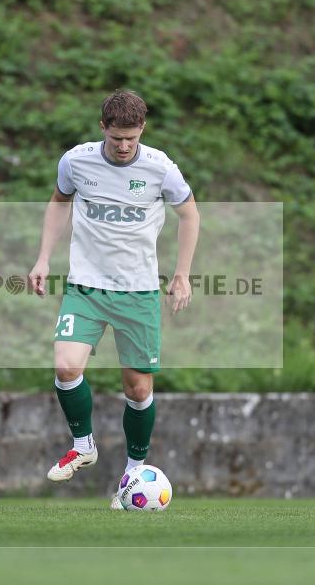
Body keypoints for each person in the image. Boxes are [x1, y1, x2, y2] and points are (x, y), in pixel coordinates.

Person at [28, 90, 200, 508]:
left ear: (142, 129)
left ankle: (132, 472)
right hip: (86, 286)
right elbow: (58, 203)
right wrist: (43, 259)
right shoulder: (76, 161)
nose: (124, 147)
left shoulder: (160, 168)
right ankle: (83, 445)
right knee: (66, 366)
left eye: (132, 138)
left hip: (138, 292)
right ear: (102, 127)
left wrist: (182, 274)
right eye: (117, 137)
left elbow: (190, 214)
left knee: (138, 389)